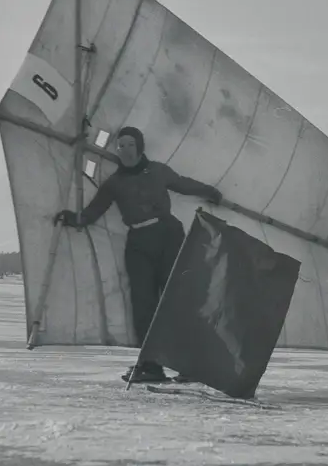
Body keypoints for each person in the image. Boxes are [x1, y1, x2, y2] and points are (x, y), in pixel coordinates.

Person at [55, 126, 222, 383]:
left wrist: (210, 191)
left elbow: (183, 184)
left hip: (168, 237)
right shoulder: (114, 183)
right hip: (138, 244)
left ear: (140, 147)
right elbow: (92, 213)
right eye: (120, 146)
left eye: (130, 145)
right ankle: (151, 366)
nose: (125, 150)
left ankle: (191, 365)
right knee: (143, 305)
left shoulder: (158, 171)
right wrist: (72, 218)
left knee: (175, 300)